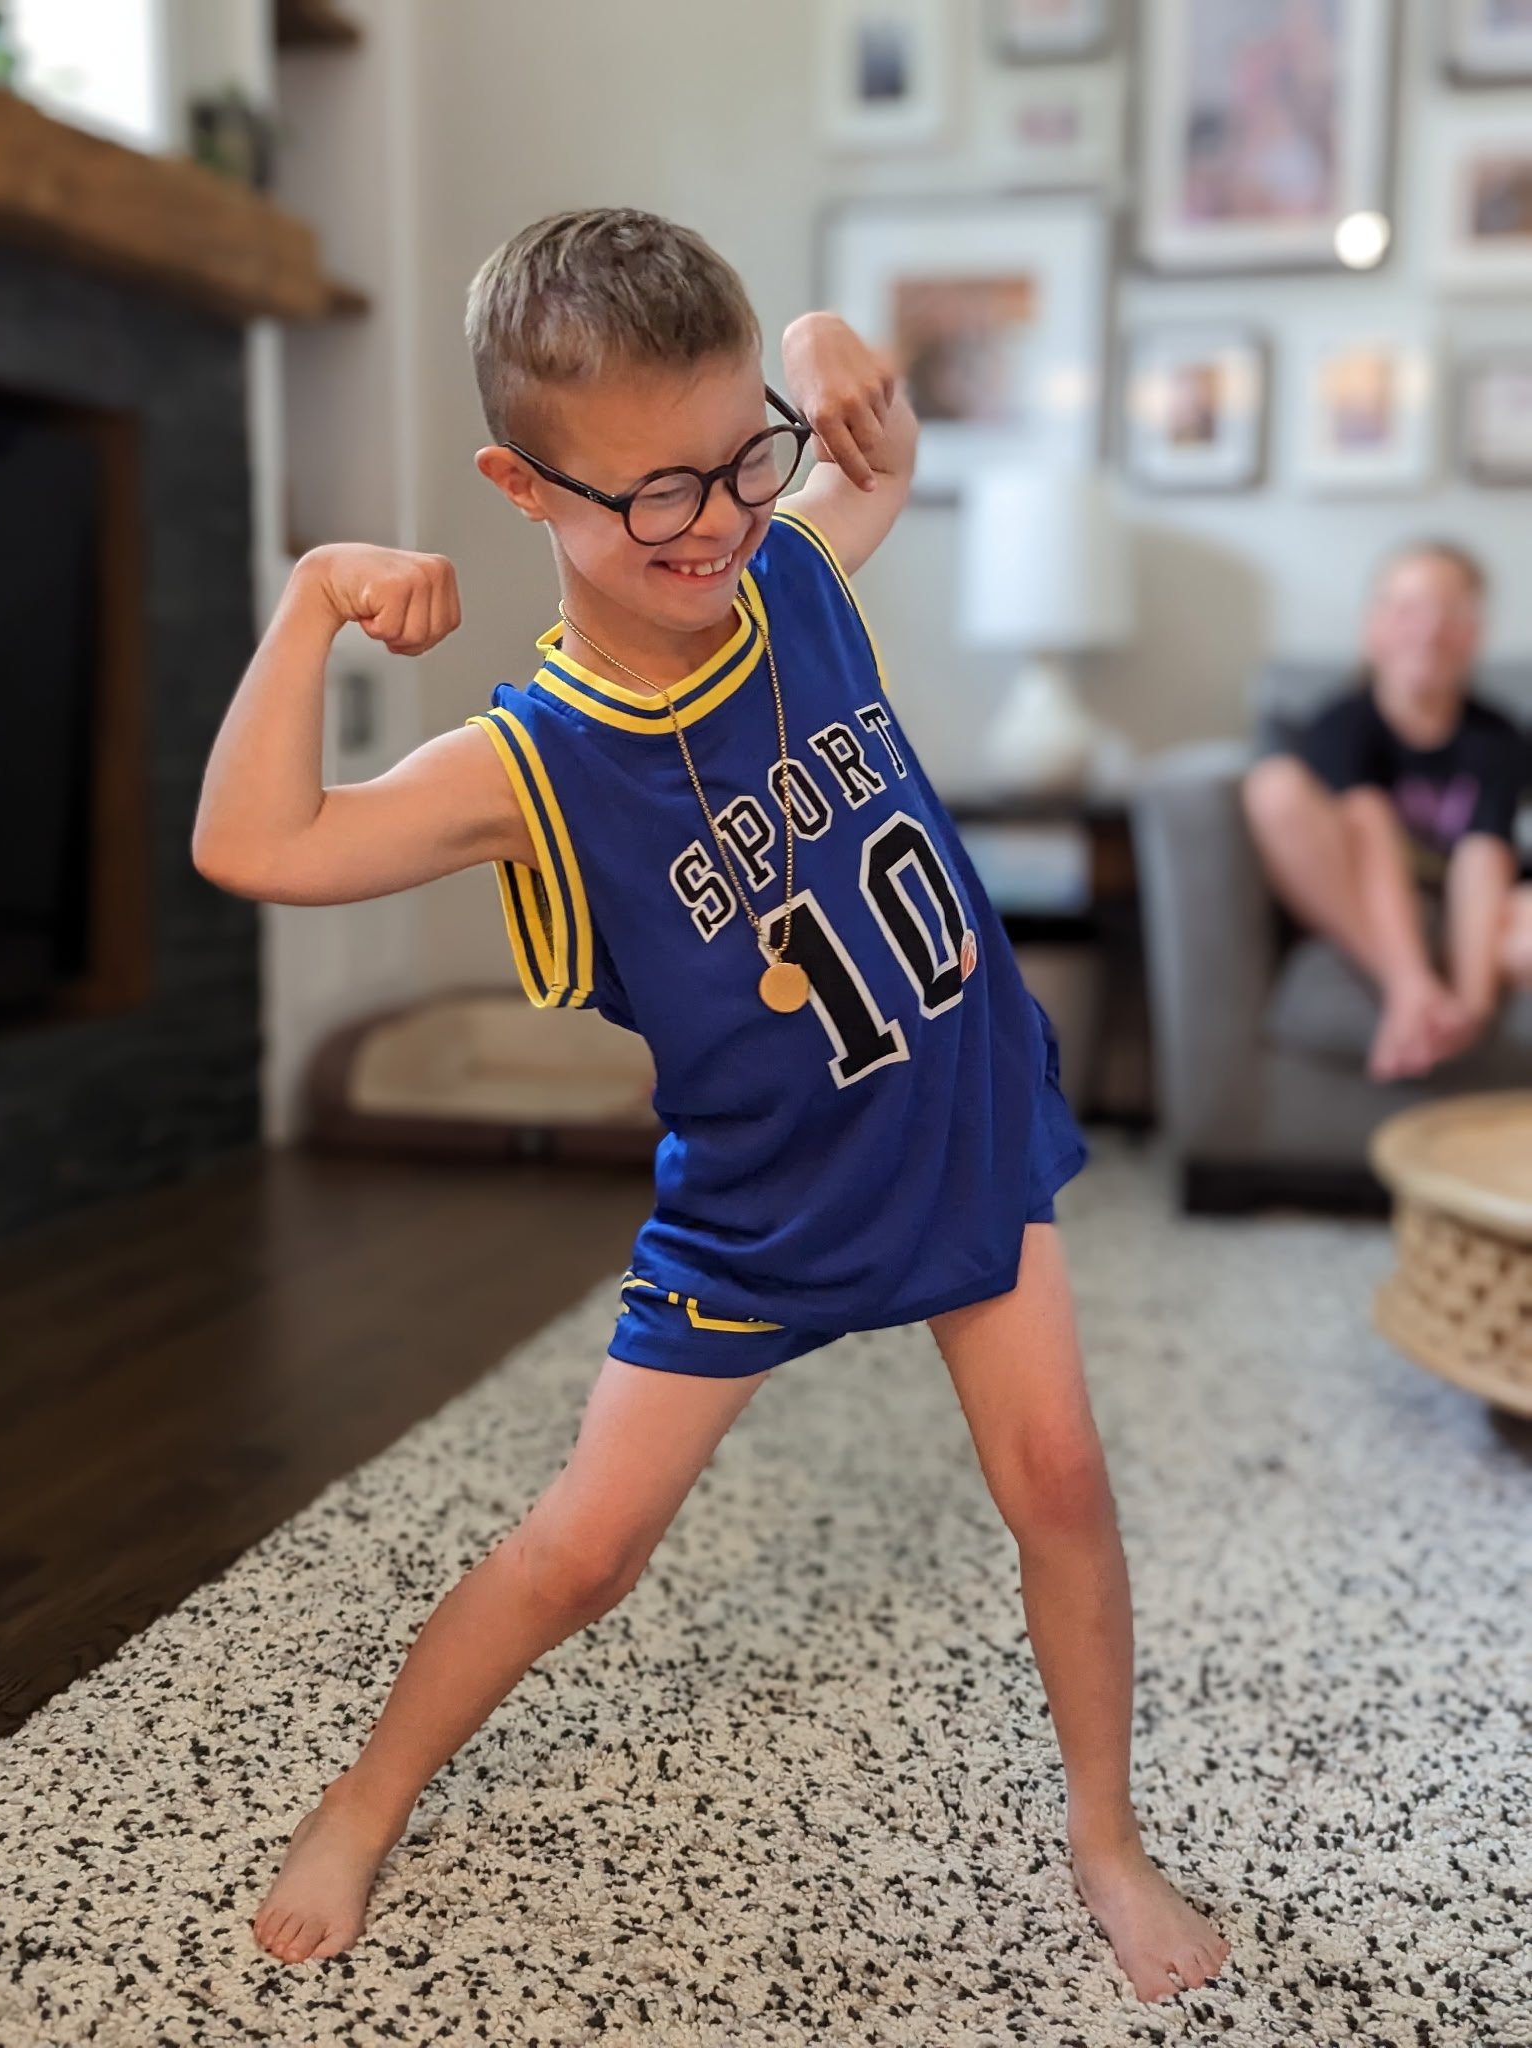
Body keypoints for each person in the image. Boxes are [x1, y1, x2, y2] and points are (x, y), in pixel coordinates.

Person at [194, 208, 1230, 2003]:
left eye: (740, 457)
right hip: (758, 1202)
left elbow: (868, 445)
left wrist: (825, 341)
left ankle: (1103, 1832)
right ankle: (365, 1793)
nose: (719, 522)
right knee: (584, 1552)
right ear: (523, 489)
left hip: (961, 1125)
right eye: (653, 493)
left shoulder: (797, 575)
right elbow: (250, 842)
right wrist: (307, 603)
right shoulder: (523, 765)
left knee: (1058, 1479)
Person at [1243, 540, 1532, 1082]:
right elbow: (1368, 833)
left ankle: (1442, 1016)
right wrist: (1410, 985)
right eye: (1407, 610)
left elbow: (1483, 857)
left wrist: (1470, 1007)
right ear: (1372, 627)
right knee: (1274, 785)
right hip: (1376, 904)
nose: (1427, 630)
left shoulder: (1500, 738)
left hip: (1478, 914)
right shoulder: (1343, 724)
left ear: (1475, 634)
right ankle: (1412, 989)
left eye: (1449, 613)